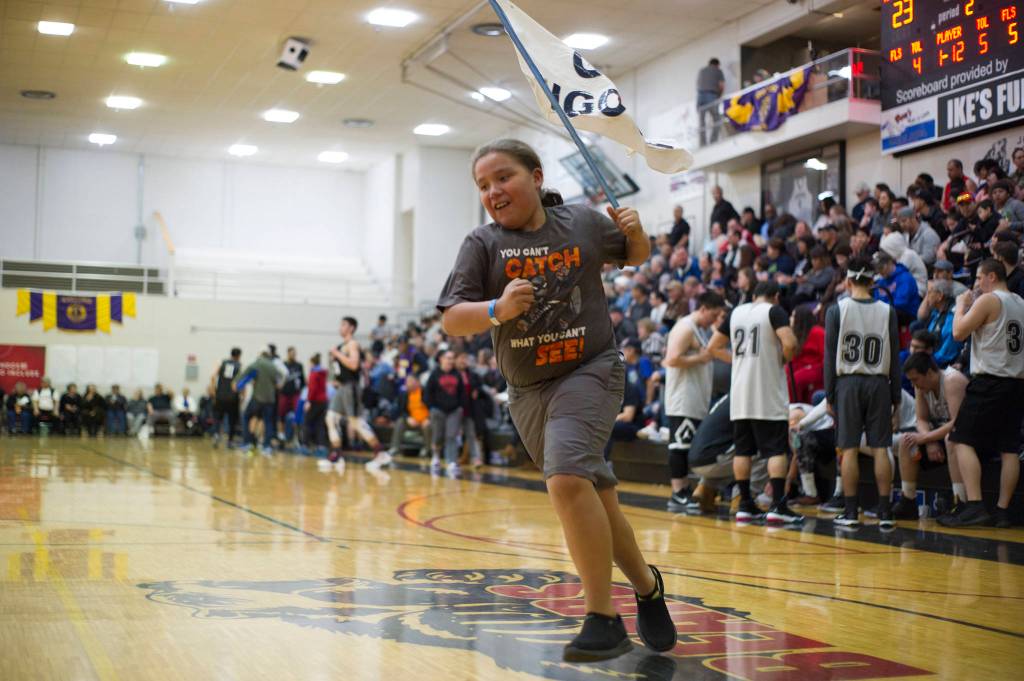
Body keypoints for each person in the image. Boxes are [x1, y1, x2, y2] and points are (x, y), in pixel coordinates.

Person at [437, 138, 676, 662]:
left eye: (503, 177)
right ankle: (647, 586)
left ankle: (602, 617)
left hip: (589, 370)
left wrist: (636, 233)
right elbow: (453, 318)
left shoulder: (583, 223)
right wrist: (496, 308)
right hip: (528, 391)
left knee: (566, 478)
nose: (493, 191)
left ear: (537, 176)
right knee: (596, 497)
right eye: (483, 185)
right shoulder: (482, 243)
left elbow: (633, 255)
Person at [708, 281, 801, 523]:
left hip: (740, 393)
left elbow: (713, 347)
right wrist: (781, 359)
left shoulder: (736, 312)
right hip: (766, 391)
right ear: (776, 296)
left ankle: (745, 505)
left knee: (743, 450)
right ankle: (779, 506)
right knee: (775, 450)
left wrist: (740, 362)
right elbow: (790, 343)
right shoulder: (774, 311)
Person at [940, 259, 1024, 528]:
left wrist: (961, 305)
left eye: (978, 278)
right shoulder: (1021, 302)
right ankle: (1002, 510)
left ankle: (975, 505)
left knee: (961, 439)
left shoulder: (988, 300)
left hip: (990, 380)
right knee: (1009, 447)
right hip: (1016, 382)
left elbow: (957, 333)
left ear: (991, 277)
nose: (975, 284)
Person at [824, 257, 901, 528]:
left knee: (849, 449)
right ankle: (885, 512)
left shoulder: (837, 310)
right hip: (879, 382)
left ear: (848, 281)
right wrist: (897, 397)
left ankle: (850, 512)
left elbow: (829, 356)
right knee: (881, 448)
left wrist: (829, 394)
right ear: (872, 281)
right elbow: (894, 358)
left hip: (848, 383)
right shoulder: (887, 310)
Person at [661, 291, 725, 511]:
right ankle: (678, 492)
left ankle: (684, 489)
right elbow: (671, 359)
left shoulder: (701, 329)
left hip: (695, 397)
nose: (715, 320)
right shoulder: (686, 327)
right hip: (683, 398)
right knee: (680, 446)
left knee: (687, 445)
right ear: (703, 309)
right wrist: (702, 357)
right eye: (713, 315)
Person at [894, 353, 968, 519]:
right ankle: (908, 500)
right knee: (907, 441)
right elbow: (921, 419)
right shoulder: (921, 386)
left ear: (929, 373)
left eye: (915, 379)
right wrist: (929, 441)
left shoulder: (951, 381)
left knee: (951, 438)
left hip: (969, 437)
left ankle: (961, 503)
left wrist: (927, 438)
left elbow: (957, 423)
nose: (913, 384)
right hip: (942, 434)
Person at [328, 316, 383, 463]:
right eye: (341, 324)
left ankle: (379, 451)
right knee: (331, 418)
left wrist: (336, 354)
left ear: (351, 328)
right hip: (342, 387)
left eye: (344, 325)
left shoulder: (352, 344)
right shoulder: (341, 345)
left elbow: (353, 365)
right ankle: (336, 453)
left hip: (351, 387)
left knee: (355, 422)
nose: (341, 327)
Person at [423, 350, 464, 477]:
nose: (450, 360)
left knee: (451, 436)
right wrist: (432, 408)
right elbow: (427, 393)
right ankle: (435, 457)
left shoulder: (457, 374)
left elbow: (462, 392)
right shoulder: (434, 374)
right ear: (441, 359)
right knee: (438, 436)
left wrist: (460, 407)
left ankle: (451, 461)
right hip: (438, 411)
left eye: (452, 358)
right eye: (448, 358)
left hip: (454, 411)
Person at [238, 351, 282, 455]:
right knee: (268, 422)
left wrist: (238, 384)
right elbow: (280, 378)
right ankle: (266, 447)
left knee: (246, 416)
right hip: (270, 400)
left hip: (258, 398)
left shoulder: (258, 363)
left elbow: (246, 374)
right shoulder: (273, 366)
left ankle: (248, 442)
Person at [385, 374, 431, 459]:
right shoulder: (404, 395)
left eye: (410, 381)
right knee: (400, 421)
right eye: (407, 382)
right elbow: (401, 410)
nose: (407, 384)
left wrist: (428, 419)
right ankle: (395, 448)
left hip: (425, 421)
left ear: (417, 382)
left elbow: (432, 407)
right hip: (412, 422)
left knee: (427, 425)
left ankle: (427, 449)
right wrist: (408, 418)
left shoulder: (425, 392)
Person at [873, 251, 921, 325]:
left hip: (905, 317)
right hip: (886, 314)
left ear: (890, 263)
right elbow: (876, 301)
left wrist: (880, 309)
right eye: (877, 268)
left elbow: (901, 303)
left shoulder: (905, 278)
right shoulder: (881, 281)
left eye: (881, 267)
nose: (879, 271)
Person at [210, 348, 242, 447]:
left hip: (220, 396)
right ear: (239, 356)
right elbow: (241, 382)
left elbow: (213, 377)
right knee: (232, 420)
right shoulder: (239, 366)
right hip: (233, 397)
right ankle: (230, 441)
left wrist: (213, 391)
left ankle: (216, 435)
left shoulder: (222, 363)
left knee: (218, 418)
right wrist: (242, 395)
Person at [278, 346, 305, 444]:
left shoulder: (299, 365)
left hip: (295, 394)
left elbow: (303, 381)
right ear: (288, 353)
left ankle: (296, 437)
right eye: (291, 353)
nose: (293, 355)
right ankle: (281, 435)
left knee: (297, 416)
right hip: (284, 394)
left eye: (294, 353)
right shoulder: (283, 365)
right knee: (281, 415)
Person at [696, 58, 725, 145]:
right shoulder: (718, 71)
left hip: (700, 96)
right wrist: (719, 96)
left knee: (702, 122)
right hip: (711, 95)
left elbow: (698, 84)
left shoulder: (702, 71)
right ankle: (713, 141)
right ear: (717, 64)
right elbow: (721, 86)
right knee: (717, 119)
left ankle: (702, 143)